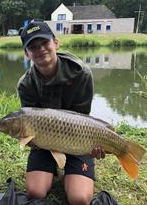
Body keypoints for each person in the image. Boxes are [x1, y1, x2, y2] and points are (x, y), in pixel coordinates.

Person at [17, 21, 105, 205]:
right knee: (35, 192)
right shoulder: (25, 84)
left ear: (55, 43)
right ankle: (55, 169)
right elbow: (29, 121)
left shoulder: (81, 73)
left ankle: (71, 174)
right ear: (27, 54)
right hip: (44, 142)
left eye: (45, 43)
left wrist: (93, 144)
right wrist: (29, 138)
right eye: (33, 47)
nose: (40, 49)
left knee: (79, 199)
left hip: (78, 138)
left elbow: (82, 118)